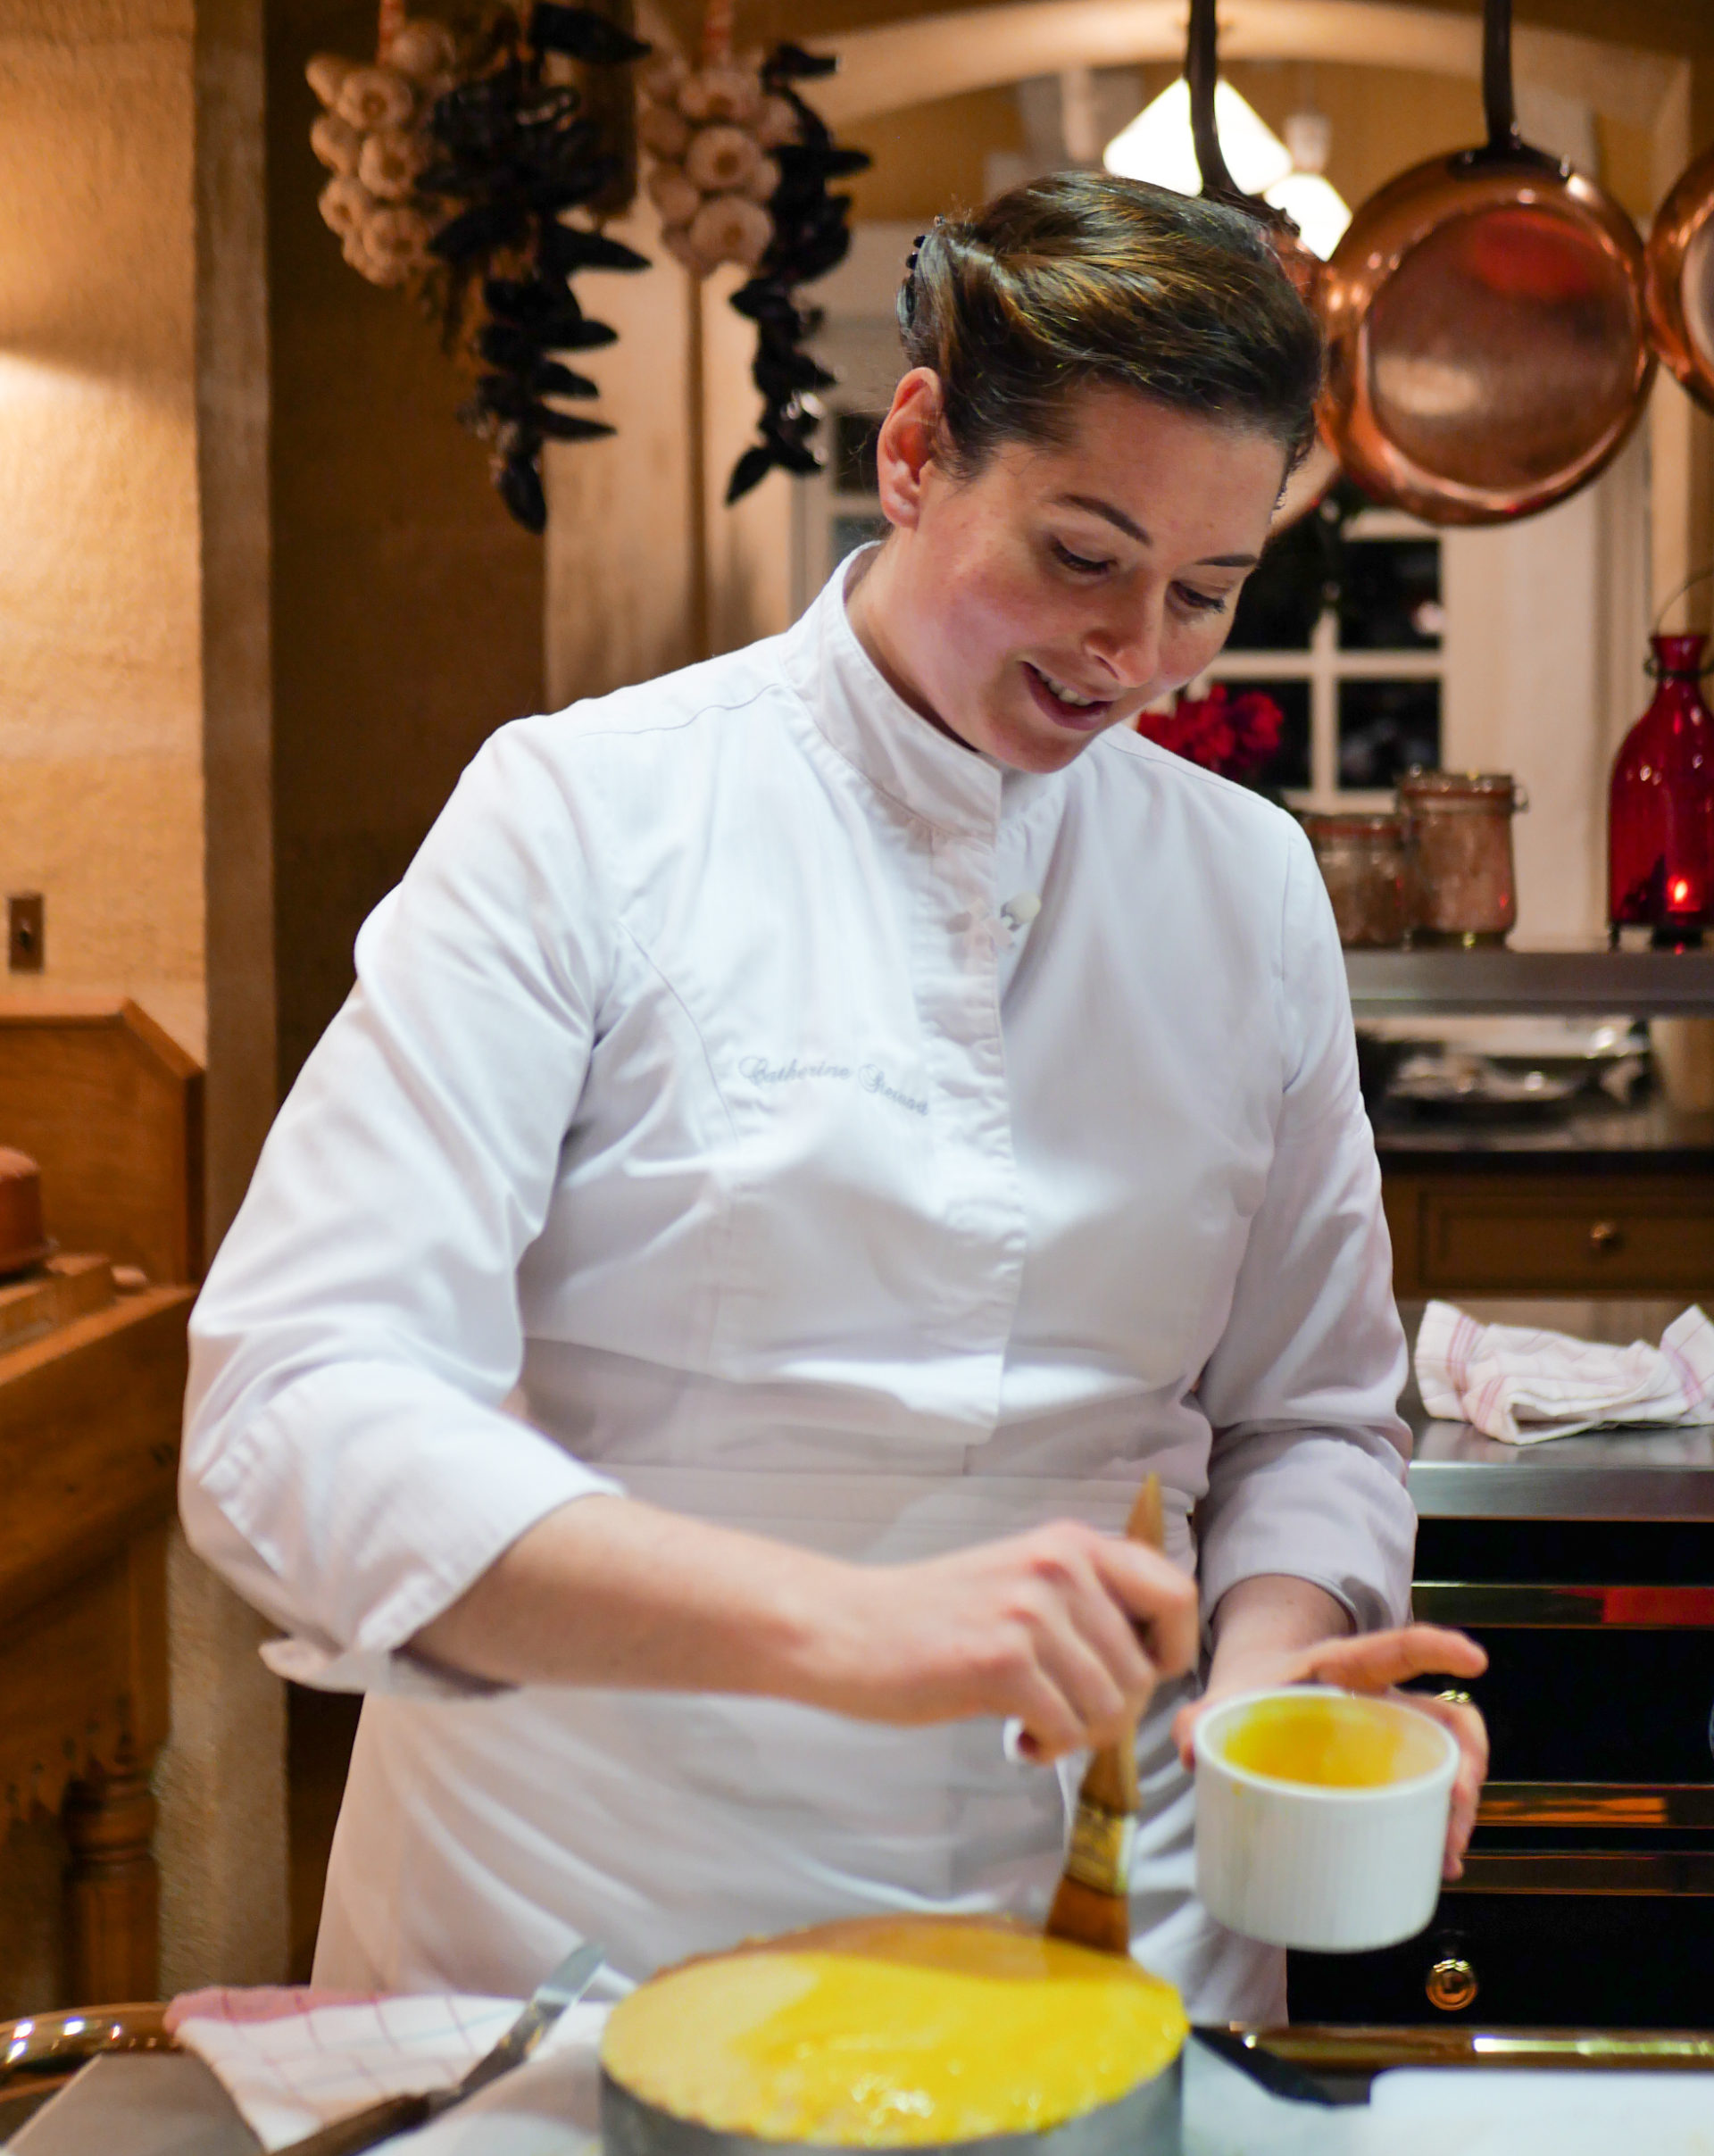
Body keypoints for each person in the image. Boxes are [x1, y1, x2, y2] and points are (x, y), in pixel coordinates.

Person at [181, 174, 1487, 2021]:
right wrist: (851, 1623)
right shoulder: (583, 816)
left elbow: (1312, 1420)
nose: (1137, 656)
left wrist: (1276, 1676)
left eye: (1205, 590)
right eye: (1082, 554)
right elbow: (291, 1412)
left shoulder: (1247, 888)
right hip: (595, 1935)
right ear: (914, 449)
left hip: (1112, 1928)